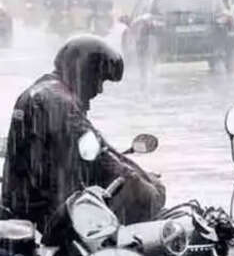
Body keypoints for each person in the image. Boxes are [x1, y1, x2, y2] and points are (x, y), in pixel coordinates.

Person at [2, 36, 166, 235]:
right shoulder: (58, 102)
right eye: (99, 80)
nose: (99, 90)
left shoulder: (42, 91)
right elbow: (102, 158)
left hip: (24, 211)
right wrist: (148, 189)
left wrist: (140, 174)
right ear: (84, 72)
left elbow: (94, 149)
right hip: (48, 220)